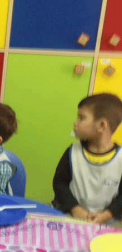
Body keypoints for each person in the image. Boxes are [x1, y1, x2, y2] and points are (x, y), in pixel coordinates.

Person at [52, 93, 122, 223]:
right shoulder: (72, 152)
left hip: (107, 221)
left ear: (102, 125)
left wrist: (107, 214)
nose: (75, 123)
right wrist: (75, 209)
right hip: (71, 215)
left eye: (81, 118)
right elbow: (59, 184)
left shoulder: (120, 159)